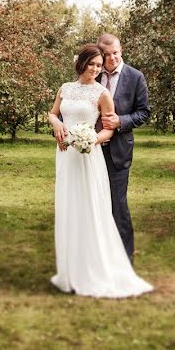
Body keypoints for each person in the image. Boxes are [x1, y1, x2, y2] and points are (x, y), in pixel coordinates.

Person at [47, 44, 153, 298]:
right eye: (91, 64)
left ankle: (93, 268)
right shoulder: (65, 88)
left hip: (87, 155)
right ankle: (70, 270)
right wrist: (57, 123)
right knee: (69, 207)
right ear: (81, 63)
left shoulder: (102, 92)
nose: (95, 69)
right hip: (65, 157)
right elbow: (51, 114)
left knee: (90, 209)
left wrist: (91, 140)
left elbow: (110, 127)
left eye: (99, 64)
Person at [96, 33, 150, 263]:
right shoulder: (92, 74)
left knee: (118, 203)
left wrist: (121, 121)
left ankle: (125, 255)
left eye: (115, 53)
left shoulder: (135, 77)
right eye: (106, 55)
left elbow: (144, 112)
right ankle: (99, 251)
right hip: (92, 150)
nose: (111, 58)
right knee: (96, 201)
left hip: (118, 150)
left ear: (121, 50)